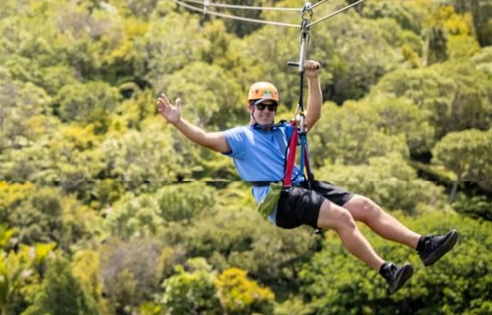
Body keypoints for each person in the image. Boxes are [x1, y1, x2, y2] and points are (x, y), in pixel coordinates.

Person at [157, 60, 457, 295]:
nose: (265, 111)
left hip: (302, 186)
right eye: (260, 106)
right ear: (250, 108)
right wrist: (178, 122)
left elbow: (312, 116)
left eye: (271, 106)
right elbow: (206, 139)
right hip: (281, 201)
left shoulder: (284, 130)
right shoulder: (240, 137)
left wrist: (313, 79)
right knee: (342, 219)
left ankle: (424, 246)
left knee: (364, 206)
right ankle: (387, 271)